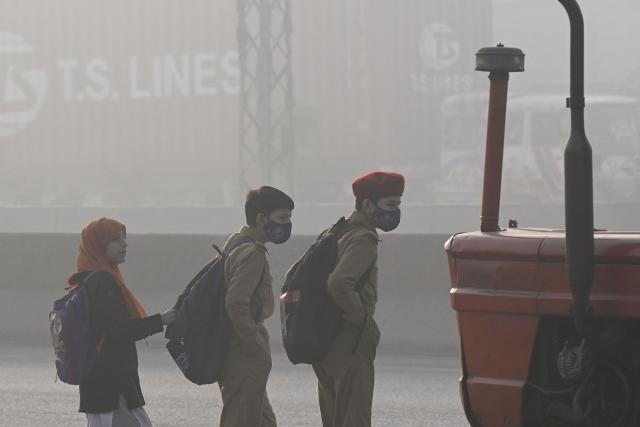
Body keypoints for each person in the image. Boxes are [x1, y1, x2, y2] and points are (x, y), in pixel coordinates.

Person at [312, 171, 405, 427]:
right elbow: (339, 283)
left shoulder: (337, 230)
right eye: (390, 204)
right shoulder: (363, 238)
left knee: (334, 418)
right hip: (349, 341)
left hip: (326, 338)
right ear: (367, 204)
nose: (396, 211)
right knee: (355, 418)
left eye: (398, 204)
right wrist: (362, 321)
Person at [66, 217, 176, 427]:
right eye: (115, 239)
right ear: (99, 244)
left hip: (97, 383)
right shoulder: (103, 281)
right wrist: (161, 320)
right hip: (113, 385)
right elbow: (118, 331)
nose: (124, 243)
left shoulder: (85, 279)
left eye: (124, 238)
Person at [218, 186, 294, 427]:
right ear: (262, 219)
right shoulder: (252, 253)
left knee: (262, 420)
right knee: (242, 419)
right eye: (282, 218)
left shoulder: (237, 242)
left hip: (235, 346)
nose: (287, 224)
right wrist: (253, 345)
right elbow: (236, 303)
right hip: (243, 351)